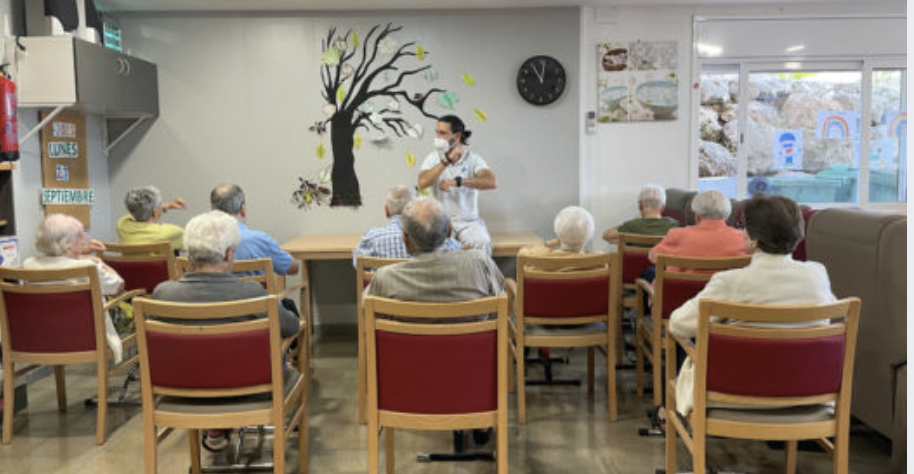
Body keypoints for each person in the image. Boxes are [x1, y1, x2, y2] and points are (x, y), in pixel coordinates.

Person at [668, 194, 836, 417]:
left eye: (744, 227)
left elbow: (678, 325)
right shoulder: (817, 274)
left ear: (753, 239)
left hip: (730, 397)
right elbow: (833, 319)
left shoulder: (730, 281)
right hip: (807, 396)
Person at [152, 210, 300, 451]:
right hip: (251, 392)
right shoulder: (252, 294)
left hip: (185, 393)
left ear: (187, 252)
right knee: (287, 368)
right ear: (229, 253)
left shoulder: (162, 294)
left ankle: (215, 428)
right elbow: (291, 326)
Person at [24, 214, 127, 362]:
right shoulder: (87, 267)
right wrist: (99, 261)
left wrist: (80, 255)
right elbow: (118, 286)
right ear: (67, 243)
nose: (85, 237)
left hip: (42, 337)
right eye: (80, 234)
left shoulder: (29, 265)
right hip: (87, 337)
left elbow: (59, 262)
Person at [367, 197, 504, 303]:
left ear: (405, 240)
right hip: (474, 340)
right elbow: (501, 300)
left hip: (411, 340)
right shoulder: (480, 264)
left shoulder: (384, 279)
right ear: (450, 231)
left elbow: (366, 311)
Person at [417, 115, 497, 254]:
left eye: (442, 133)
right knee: (435, 249)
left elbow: (491, 182)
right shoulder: (433, 158)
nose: (437, 137)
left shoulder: (473, 159)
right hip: (440, 222)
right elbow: (422, 183)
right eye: (436, 132)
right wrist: (447, 160)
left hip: (469, 222)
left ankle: (476, 276)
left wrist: (458, 181)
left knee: (482, 243)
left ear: (457, 136)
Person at [352, 185, 461, 267]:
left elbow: (357, 264)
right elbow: (459, 253)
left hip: (387, 295)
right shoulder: (444, 240)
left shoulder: (372, 238)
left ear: (387, 211)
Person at [210, 183, 299, 277]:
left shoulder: (201, 243)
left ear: (212, 211)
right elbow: (292, 268)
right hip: (254, 292)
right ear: (243, 209)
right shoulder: (259, 240)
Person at [648, 189, 746, 268]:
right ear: (727, 217)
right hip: (724, 292)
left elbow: (653, 256)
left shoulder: (676, 235)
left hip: (680, 292)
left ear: (697, 216)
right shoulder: (741, 238)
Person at [519, 206, 598, 266]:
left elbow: (522, 252)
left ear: (557, 234)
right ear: (589, 236)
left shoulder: (536, 257)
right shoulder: (599, 262)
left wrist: (547, 245)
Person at [117, 185, 187, 252]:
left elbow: (133, 210)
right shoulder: (169, 232)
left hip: (131, 264)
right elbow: (190, 246)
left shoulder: (122, 225)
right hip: (167, 264)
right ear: (155, 212)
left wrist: (166, 206)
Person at [602, 185, 679, 244]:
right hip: (663, 265)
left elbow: (606, 236)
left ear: (640, 206)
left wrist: (627, 240)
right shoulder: (674, 225)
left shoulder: (632, 226)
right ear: (663, 207)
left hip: (633, 265)